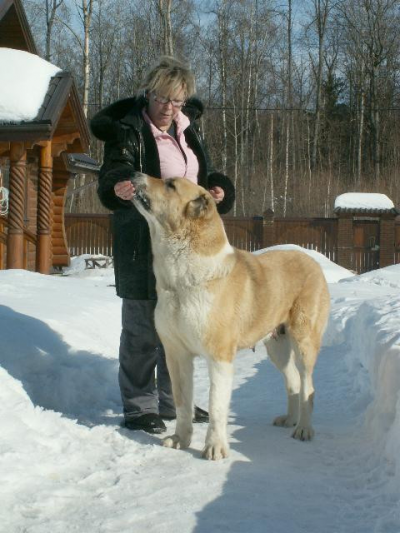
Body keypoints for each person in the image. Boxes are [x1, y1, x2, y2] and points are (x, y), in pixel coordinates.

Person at [90, 56, 235, 435]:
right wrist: (119, 187)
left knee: (181, 327)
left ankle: (176, 402)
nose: (169, 108)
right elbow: (115, 169)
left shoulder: (188, 130)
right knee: (141, 327)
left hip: (183, 250)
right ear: (149, 94)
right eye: (162, 99)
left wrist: (218, 187)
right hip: (141, 241)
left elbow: (201, 173)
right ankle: (139, 406)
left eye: (178, 101)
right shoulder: (129, 128)